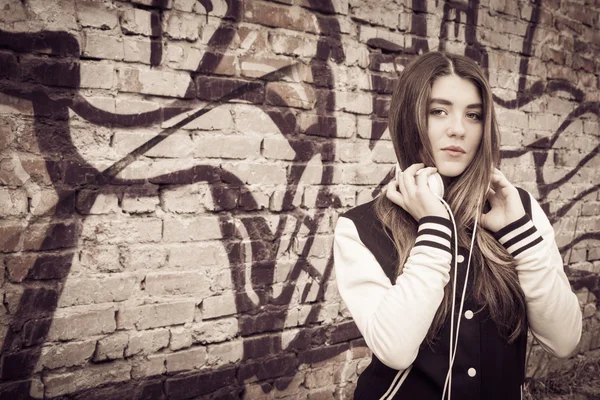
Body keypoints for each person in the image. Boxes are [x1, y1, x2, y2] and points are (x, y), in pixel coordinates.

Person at [333, 52, 582, 400]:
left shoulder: (518, 211)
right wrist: (434, 228)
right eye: (438, 111)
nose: (458, 129)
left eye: (473, 115)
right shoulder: (360, 228)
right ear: (410, 117)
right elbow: (396, 350)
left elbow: (564, 340)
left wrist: (519, 236)